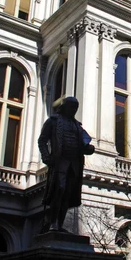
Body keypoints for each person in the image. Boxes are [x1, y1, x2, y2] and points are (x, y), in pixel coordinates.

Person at [38, 96, 95, 232]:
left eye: (76, 108)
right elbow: (42, 140)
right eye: (72, 107)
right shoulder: (53, 121)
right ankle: (53, 223)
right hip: (60, 162)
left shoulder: (77, 126)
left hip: (74, 164)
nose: (74, 110)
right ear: (65, 107)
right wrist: (46, 156)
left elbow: (84, 144)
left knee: (68, 194)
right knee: (59, 190)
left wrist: (89, 149)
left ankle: (60, 224)